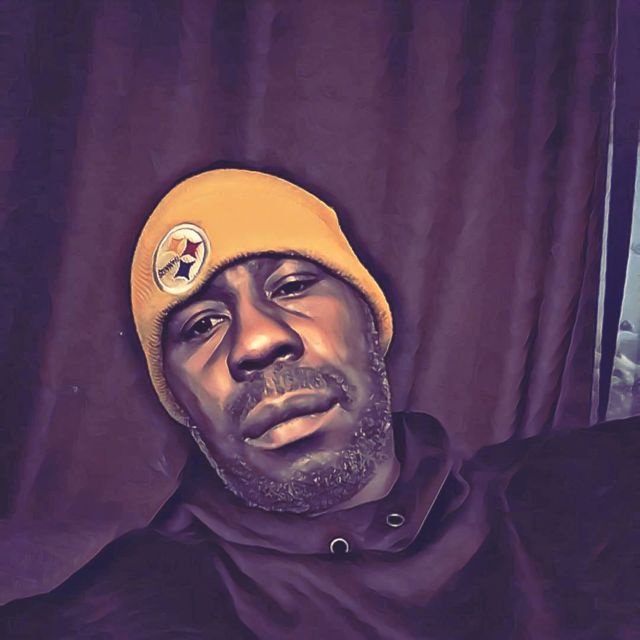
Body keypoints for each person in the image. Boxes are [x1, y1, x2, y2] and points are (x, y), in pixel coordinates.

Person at [1, 169, 638, 639]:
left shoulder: (570, 499)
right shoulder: (141, 603)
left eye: (293, 285)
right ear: (182, 404)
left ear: (371, 324)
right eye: (201, 325)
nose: (256, 341)